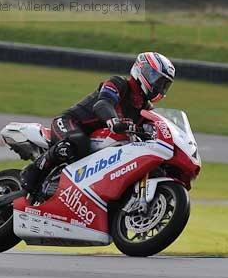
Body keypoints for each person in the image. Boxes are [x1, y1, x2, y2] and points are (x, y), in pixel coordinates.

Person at [19, 51, 176, 194]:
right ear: (143, 70)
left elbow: (151, 129)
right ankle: (33, 171)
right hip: (70, 122)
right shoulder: (118, 83)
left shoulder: (145, 108)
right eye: (158, 80)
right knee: (76, 143)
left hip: (101, 138)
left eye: (164, 84)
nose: (159, 87)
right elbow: (103, 103)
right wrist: (114, 121)